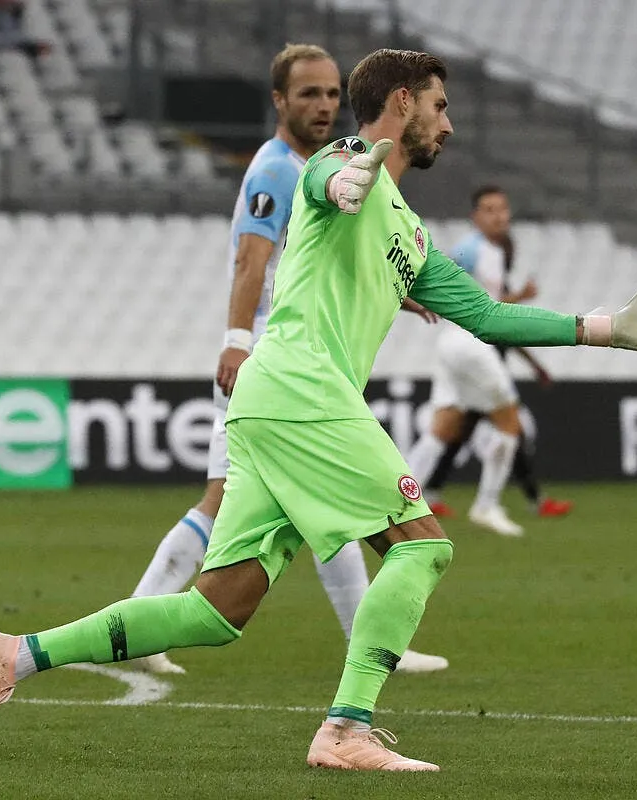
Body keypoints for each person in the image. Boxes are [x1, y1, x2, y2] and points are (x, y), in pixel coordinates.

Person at [0, 48, 637, 771]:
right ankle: (347, 728)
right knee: (423, 545)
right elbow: (323, 181)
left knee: (216, 613)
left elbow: (491, 317)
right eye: (440, 106)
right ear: (402, 102)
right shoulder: (342, 161)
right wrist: (344, 185)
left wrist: (606, 330)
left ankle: (14, 654)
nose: (450, 125)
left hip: (274, 402)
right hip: (304, 393)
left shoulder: (410, 231)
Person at [129, 43, 446, 676]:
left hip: (296, 358)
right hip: (274, 359)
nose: (325, 105)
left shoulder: (320, 166)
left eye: (332, 93)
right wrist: (237, 340)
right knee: (229, 498)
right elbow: (252, 259)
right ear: (279, 101)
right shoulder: (278, 169)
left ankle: (148, 616)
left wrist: (399, 291)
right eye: (309, 94)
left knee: (297, 502)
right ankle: (144, 612)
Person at [407, 185, 571, 536]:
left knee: (442, 428)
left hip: (452, 344)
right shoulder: (472, 249)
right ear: (475, 217)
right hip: (468, 344)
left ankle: (400, 498)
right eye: (489, 209)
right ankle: (486, 505)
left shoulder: (490, 252)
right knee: (511, 423)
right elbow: (480, 307)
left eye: (502, 209)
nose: (498, 216)